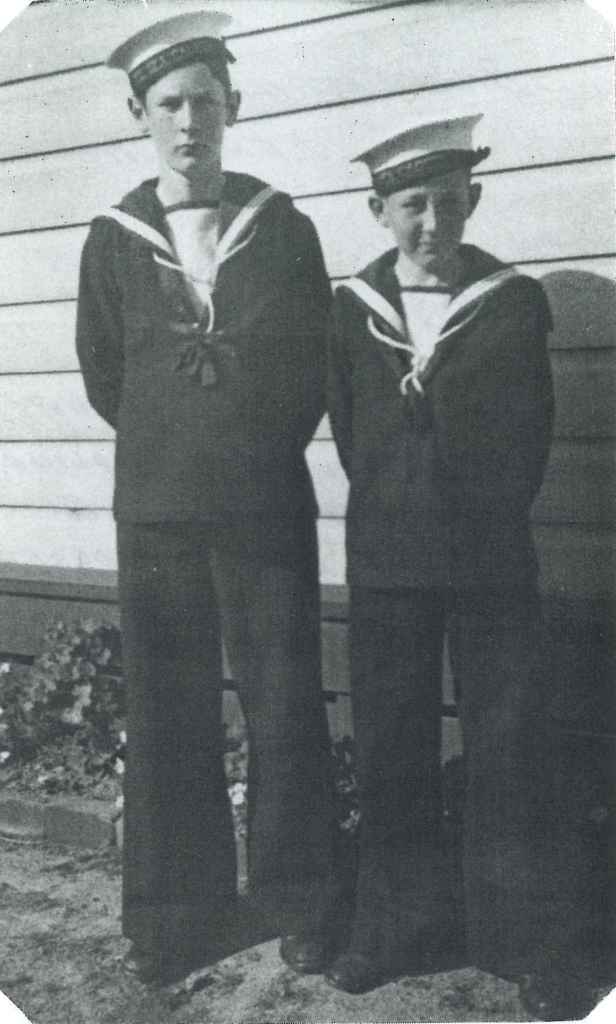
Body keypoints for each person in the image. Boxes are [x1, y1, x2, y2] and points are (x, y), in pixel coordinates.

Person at [76, 10, 337, 984]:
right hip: (158, 514)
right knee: (166, 709)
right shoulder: (112, 240)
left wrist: (243, 447)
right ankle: (174, 913)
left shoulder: (282, 227)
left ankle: (301, 900)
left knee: (284, 702)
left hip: (263, 507)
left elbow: (311, 366)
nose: (190, 122)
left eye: (206, 102)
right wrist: (176, 447)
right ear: (138, 114)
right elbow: (108, 373)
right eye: (170, 104)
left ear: (234, 107)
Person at [326, 115, 594, 1018]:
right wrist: (401, 504)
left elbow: (531, 430)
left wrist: (475, 513)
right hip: (387, 560)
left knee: (510, 745)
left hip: (489, 559)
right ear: (380, 211)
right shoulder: (351, 309)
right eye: (413, 205)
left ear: (472, 200)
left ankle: (523, 941)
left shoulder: (511, 302)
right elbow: (352, 431)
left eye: (448, 202)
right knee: (392, 747)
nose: (433, 222)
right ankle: (394, 926)